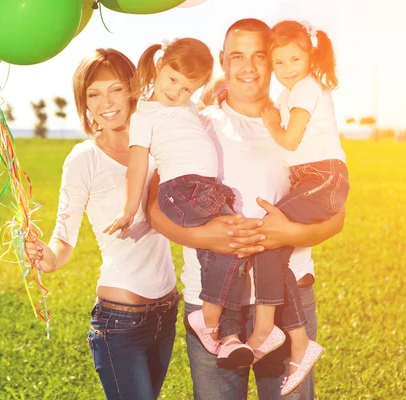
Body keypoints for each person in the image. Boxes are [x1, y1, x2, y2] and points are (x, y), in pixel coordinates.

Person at [146, 19, 346, 399]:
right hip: (214, 303)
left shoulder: (295, 126)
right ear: (222, 61)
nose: (249, 67)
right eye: (237, 56)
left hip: (289, 298)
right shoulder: (195, 124)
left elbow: (337, 213)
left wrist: (293, 234)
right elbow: (156, 207)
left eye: (259, 56)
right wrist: (205, 237)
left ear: (272, 62)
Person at [24, 48, 182, 400]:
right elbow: (63, 236)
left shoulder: (158, 145)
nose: (105, 102)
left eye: (113, 89)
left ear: (131, 89)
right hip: (120, 322)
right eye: (93, 94)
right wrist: (46, 258)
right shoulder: (85, 158)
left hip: (168, 309)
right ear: (84, 103)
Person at [104, 37, 255, 370]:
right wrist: (130, 209)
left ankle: (229, 338)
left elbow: (208, 99)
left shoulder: (186, 107)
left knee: (226, 255)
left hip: (206, 191)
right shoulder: (144, 113)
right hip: (181, 191)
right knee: (234, 244)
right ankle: (209, 317)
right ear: (160, 66)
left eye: (187, 89)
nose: (176, 92)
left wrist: (220, 92)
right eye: (172, 79)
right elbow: (138, 166)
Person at [245, 19, 349, 395]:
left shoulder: (305, 88)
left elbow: (290, 140)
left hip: (324, 178)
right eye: (280, 63)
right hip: (311, 178)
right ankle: (294, 338)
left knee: (270, 240)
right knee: (271, 247)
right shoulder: (295, 90)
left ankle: (268, 330)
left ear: (310, 56)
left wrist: (271, 122)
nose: (288, 69)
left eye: (295, 59)